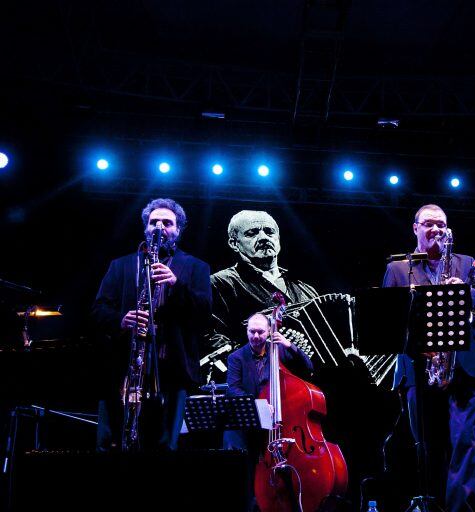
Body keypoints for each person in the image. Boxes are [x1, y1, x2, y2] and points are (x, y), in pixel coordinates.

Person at [383, 204, 475, 512]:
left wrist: (467, 292)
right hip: (419, 366)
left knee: (465, 444)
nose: (436, 230)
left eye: (441, 224)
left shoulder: (468, 263)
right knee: (425, 445)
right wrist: (413, 345)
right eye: (429, 224)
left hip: (464, 366)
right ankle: (428, 503)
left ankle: (461, 508)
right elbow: (388, 320)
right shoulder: (398, 267)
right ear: (415, 228)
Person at [92, 197, 212, 451]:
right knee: (111, 442)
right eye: (154, 222)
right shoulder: (121, 265)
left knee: (166, 446)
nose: (159, 227)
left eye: (167, 223)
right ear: (146, 227)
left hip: (172, 370)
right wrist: (121, 320)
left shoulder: (196, 267)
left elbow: (204, 312)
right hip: (123, 366)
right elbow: (99, 310)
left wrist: (176, 285)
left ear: (177, 230)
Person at [224, 312, 313, 512]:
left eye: (260, 332)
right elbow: (233, 389)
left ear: (269, 332)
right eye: (251, 332)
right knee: (246, 472)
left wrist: (290, 345)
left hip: (280, 425)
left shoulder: (280, 352)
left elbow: (308, 368)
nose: (256, 336)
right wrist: (259, 405)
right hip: (250, 427)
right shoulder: (236, 357)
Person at [207, 211, 318, 361]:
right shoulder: (220, 283)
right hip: (256, 379)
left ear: (278, 239)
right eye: (252, 233)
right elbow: (212, 337)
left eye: (269, 232)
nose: (264, 238)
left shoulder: (306, 290)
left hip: (308, 382)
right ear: (234, 243)